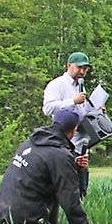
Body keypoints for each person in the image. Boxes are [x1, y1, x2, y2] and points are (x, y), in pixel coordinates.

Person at [0, 108, 100, 224]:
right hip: (26, 219)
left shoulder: (32, 142)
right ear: (73, 130)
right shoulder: (59, 156)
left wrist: (75, 166)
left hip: (2, 210)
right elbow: (71, 204)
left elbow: (44, 167)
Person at [43, 52, 92, 198]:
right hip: (65, 146)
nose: (82, 72)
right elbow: (48, 109)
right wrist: (72, 101)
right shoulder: (57, 85)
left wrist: (96, 109)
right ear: (69, 65)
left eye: (85, 69)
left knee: (81, 191)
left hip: (82, 145)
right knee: (65, 191)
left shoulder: (80, 87)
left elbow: (81, 113)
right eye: (79, 68)